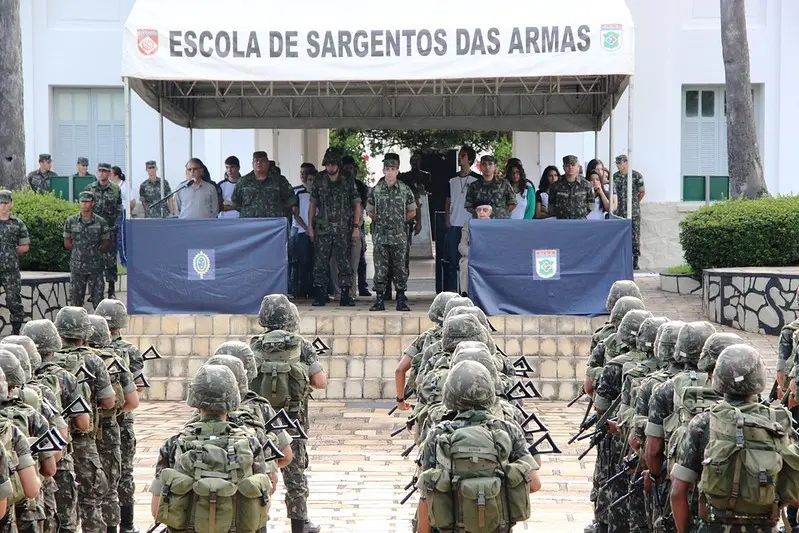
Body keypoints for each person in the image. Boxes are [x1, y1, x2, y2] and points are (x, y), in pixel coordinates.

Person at [670, 344, 795, 533]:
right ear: (760, 378)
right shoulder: (779, 421)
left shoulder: (703, 423)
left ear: (718, 378)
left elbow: (677, 492)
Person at [417, 360, 541, 533]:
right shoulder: (508, 430)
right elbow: (534, 484)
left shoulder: (438, 434)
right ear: (490, 392)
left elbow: (426, 492)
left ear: (449, 394)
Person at [151, 365, 273, 532]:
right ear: (233, 399)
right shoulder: (251, 443)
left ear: (195, 398)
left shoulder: (174, 443)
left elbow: (157, 509)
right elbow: (263, 504)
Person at [249, 294, 327, 533]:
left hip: (262, 421)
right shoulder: (302, 345)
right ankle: (299, 525)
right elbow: (320, 382)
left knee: (260, 471)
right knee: (295, 475)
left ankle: (258, 523)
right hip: (293, 420)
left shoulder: (254, 345)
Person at [53, 306, 116, 533]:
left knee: (60, 502)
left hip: (54, 443)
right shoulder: (93, 360)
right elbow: (108, 402)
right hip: (83, 438)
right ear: (86, 332)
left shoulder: (47, 362)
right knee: (91, 497)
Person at [22, 319, 87, 533]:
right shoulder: (59, 381)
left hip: (22, 476)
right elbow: (82, 423)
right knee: (64, 523)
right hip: (54, 466)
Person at [94, 299, 143, 533]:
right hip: (121, 422)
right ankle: (127, 524)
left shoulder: (90, 353)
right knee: (123, 473)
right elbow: (138, 388)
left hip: (92, 424)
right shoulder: (129, 351)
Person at [308, 147, 361, 307]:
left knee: (344, 262)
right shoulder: (319, 179)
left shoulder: (347, 179)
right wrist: (310, 226)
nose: (330, 167)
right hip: (323, 227)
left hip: (343, 228)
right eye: (328, 164)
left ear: (338, 164)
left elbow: (356, 204)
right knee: (320, 262)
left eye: (333, 164)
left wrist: (356, 227)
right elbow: (313, 204)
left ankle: (345, 294)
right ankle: (321, 294)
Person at [366, 153, 417, 312]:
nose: (390, 172)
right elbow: (370, 211)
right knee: (380, 268)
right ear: (383, 170)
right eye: (387, 169)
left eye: (393, 169)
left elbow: (412, 211)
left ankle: (400, 300)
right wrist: (382, 221)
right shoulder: (376, 190)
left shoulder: (404, 189)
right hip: (381, 235)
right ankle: (379, 300)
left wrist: (399, 221)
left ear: (397, 171)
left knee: (400, 268)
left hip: (399, 235)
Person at [64, 191, 110, 308]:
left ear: (92, 203)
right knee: (75, 303)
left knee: (98, 302)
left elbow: (106, 243)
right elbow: (67, 242)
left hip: (95, 268)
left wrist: (95, 253)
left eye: (87, 201)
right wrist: (79, 252)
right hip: (77, 268)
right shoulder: (71, 221)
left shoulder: (101, 222)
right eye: (82, 201)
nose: (84, 204)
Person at [443, 145, 480, 292]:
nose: (460, 158)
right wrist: (447, 218)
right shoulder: (451, 179)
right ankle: (453, 290)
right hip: (455, 222)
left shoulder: (477, 179)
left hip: (470, 224)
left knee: (469, 257)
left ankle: (468, 289)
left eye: (463, 156)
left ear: (470, 159)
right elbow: (447, 201)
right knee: (452, 259)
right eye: (460, 155)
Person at [85, 163, 123, 298]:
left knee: (111, 261)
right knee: (93, 260)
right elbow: (85, 208)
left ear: (109, 173)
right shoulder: (90, 188)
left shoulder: (115, 189)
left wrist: (113, 223)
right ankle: (94, 291)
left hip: (109, 230)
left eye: (104, 171)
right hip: (93, 231)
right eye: (99, 170)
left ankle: (111, 291)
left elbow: (119, 207)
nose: (101, 173)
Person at [231, 151, 297, 219]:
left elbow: (291, 200)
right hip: (249, 222)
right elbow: (235, 203)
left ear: (268, 163)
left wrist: (279, 211)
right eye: (256, 161)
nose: (259, 163)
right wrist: (248, 212)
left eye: (262, 160)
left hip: (273, 223)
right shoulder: (243, 181)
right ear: (252, 164)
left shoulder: (279, 180)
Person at [0, 191, 30, 335]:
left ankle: (16, 333)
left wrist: (11, 253)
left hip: (10, 270)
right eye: (0, 203)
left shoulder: (18, 223)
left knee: (14, 301)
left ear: (11, 203)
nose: (3, 206)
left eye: (6, 203)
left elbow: (25, 246)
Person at [341, 156, 371, 297]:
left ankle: (362, 286)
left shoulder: (360, 186)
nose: (348, 171)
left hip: (357, 223)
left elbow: (362, 206)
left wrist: (357, 225)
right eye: (346, 168)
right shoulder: (339, 184)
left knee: (360, 257)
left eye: (350, 168)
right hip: (341, 225)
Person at [614, 155, 646, 270]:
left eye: (620, 163)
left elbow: (642, 192)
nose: (618, 165)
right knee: (619, 236)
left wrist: (634, 203)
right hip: (619, 211)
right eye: (617, 163)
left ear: (626, 163)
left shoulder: (636, 176)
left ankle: (635, 261)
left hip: (633, 212)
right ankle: (620, 259)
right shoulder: (615, 177)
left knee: (634, 236)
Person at [291, 164, 316, 299]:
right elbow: (296, 213)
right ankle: (301, 290)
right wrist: (306, 228)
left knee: (314, 262)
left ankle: (313, 290)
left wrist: (314, 228)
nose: (312, 183)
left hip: (316, 232)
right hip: (302, 232)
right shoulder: (299, 194)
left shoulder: (320, 195)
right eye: (310, 180)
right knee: (303, 262)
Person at [464, 154, 516, 219]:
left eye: (490, 164)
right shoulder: (474, 186)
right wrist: (479, 213)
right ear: (480, 167)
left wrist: (502, 213)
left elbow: (513, 202)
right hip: (481, 222)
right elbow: (469, 206)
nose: (487, 167)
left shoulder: (504, 184)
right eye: (484, 164)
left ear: (495, 167)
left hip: (499, 221)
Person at [458, 199, 492, 296]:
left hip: (490, 256)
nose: (481, 212)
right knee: (465, 265)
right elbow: (462, 246)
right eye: (479, 210)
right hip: (472, 256)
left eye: (485, 210)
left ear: (490, 212)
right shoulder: (468, 225)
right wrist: (473, 253)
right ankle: (465, 293)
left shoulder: (495, 225)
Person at [547, 155, 593, 219]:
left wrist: (580, 214)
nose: (570, 167)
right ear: (563, 167)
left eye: (573, 165)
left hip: (580, 221)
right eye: (567, 165)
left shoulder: (586, 185)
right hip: (562, 221)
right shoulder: (555, 185)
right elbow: (551, 207)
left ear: (578, 167)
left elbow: (591, 205)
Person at [109, 166, 128, 268]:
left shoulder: (124, 186)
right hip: (112, 214)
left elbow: (131, 202)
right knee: (111, 239)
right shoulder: (110, 185)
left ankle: (125, 261)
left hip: (121, 213)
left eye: (111, 173)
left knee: (121, 238)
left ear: (116, 175)